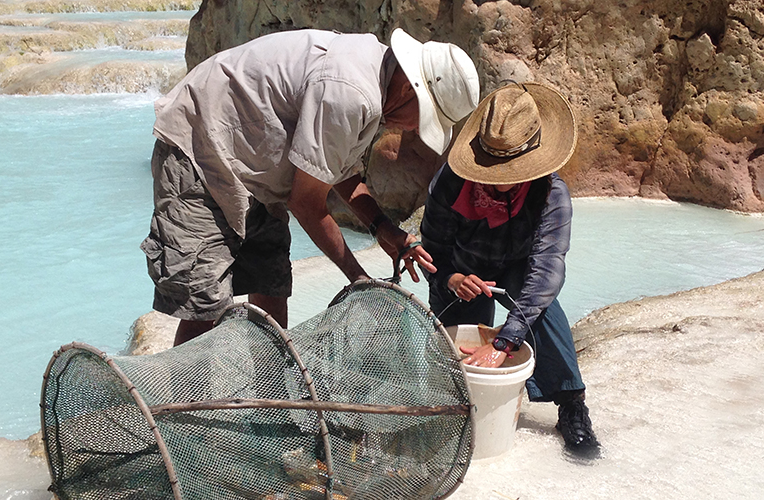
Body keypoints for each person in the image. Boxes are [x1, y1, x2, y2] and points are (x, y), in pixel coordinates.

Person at [141, 28, 480, 345]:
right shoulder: (351, 94)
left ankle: (270, 389)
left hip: (254, 160)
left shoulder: (376, 80)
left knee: (271, 279)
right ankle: (182, 403)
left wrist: (383, 228)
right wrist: (359, 278)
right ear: (409, 89)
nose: (416, 130)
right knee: (205, 301)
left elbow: (335, 169)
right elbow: (305, 203)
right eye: (423, 118)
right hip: (201, 147)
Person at [419, 82, 600, 452]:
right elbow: (433, 246)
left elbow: (546, 272)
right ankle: (454, 408)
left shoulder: (552, 194)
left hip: (519, 269)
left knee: (536, 308)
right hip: (463, 271)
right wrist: (451, 278)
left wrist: (505, 341)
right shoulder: (451, 183)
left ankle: (572, 405)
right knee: (452, 341)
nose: (501, 182)